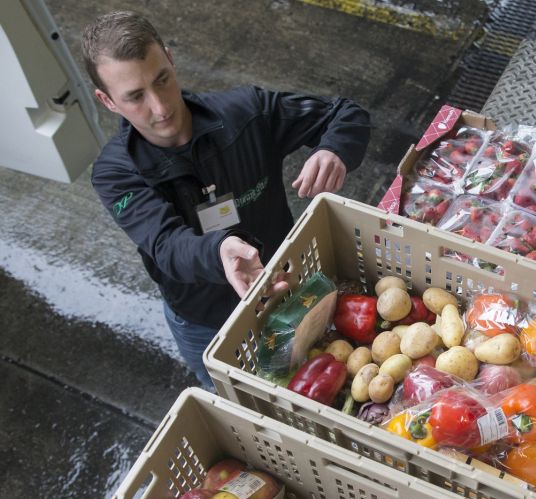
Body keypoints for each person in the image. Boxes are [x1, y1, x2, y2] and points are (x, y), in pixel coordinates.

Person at [81, 11, 371, 389]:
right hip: (206, 319)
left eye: (162, 80)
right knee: (232, 396)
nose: (160, 107)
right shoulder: (116, 173)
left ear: (169, 57)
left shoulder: (246, 113)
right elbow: (166, 245)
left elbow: (346, 114)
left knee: (316, 376)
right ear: (107, 101)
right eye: (135, 97)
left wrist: (335, 149)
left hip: (287, 287)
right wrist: (219, 251)